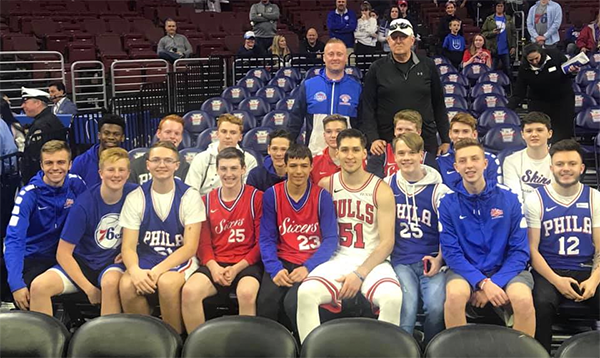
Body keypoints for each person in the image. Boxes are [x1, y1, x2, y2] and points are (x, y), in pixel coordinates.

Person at [297, 129, 402, 343]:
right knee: (306, 293)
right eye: (344, 150)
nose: (350, 155)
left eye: (355, 150)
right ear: (336, 154)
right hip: (338, 258)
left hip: (373, 261)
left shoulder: (380, 189)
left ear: (365, 153)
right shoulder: (326, 185)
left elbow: (387, 242)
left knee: (392, 298)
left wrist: (360, 274)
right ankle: (312, 350)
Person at [440, 138, 535, 336]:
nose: (469, 165)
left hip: (507, 270)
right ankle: (458, 351)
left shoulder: (510, 198)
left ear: (485, 163)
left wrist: (495, 283)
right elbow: (451, 253)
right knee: (455, 295)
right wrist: (481, 282)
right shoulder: (447, 203)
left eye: (474, 159)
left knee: (523, 299)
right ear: (456, 167)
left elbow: (519, 251)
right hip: (465, 270)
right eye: (463, 161)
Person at [29, 148, 137, 316]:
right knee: (39, 286)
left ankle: (107, 340)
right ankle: (46, 341)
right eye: (110, 170)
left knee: (110, 282)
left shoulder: (136, 195)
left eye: (121, 170)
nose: (116, 175)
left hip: (112, 263)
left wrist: (130, 250)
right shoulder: (83, 204)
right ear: (101, 173)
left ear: (128, 173)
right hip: (83, 264)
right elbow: (63, 254)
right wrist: (89, 289)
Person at [119, 141, 204, 334]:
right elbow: (128, 247)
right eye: (156, 160)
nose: (162, 165)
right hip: (148, 257)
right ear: (147, 164)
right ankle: (147, 341)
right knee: (126, 285)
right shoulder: (136, 196)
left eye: (168, 160)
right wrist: (135, 271)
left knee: (167, 284)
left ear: (177, 164)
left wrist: (157, 271)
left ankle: (173, 340)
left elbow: (190, 248)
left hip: (180, 258)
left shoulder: (189, 196)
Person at [524, 139, 600, 352]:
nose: (566, 168)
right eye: (560, 164)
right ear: (551, 167)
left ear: (581, 168)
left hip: (586, 270)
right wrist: (557, 281)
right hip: (549, 270)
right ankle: (540, 353)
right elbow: (532, 250)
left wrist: (594, 280)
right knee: (541, 303)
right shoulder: (535, 199)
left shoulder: (595, 198)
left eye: (572, 163)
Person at [257, 144, 338, 330]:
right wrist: (274, 268)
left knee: (294, 303)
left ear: (311, 167)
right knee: (265, 303)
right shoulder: (272, 195)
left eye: (303, 165)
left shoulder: (321, 196)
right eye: (293, 166)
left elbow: (331, 239)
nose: (298, 171)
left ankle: (304, 348)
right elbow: (267, 238)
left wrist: (308, 267)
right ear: (285, 167)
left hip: (312, 261)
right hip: (283, 261)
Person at [182, 148, 263, 333]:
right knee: (189, 292)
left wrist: (236, 268)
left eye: (234, 168)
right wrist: (214, 267)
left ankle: (245, 348)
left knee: (246, 293)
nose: (229, 174)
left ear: (243, 169)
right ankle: (198, 347)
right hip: (216, 264)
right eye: (224, 169)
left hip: (246, 263)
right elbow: (202, 243)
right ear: (217, 171)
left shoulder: (256, 198)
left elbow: (261, 243)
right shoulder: (206, 200)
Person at [4, 140, 87, 311]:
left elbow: (91, 220)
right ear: (41, 165)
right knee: (29, 293)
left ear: (70, 164)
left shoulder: (77, 184)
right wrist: (16, 283)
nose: (55, 168)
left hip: (68, 255)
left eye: (61, 162)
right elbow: (14, 239)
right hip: (35, 257)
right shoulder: (28, 195)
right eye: (49, 163)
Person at [385, 132, 450, 344]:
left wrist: (440, 259)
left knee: (435, 306)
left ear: (421, 155)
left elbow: (447, 232)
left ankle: (431, 346)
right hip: (401, 260)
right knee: (407, 306)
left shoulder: (439, 190)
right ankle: (404, 348)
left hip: (431, 260)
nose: (406, 158)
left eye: (412, 153)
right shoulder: (386, 186)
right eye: (401, 153)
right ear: (394, 156)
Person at [359, 18, 450, 157]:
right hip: (387, 143)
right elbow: (368, 107)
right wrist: (373, 138)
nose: (398, 41)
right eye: (394, 37)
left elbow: (438, 104)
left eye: (403, 37)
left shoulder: (428, 65)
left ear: (412, 40)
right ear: (388, 41)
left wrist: (445, 139)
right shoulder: (376, 68)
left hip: (425, 141)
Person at [289, 39, 361, 155]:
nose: (335, 58)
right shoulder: (309, 85)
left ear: (346, 57)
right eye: (331, 54)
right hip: (316, 153)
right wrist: (289, 145)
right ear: (324, 57)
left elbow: (363, 123)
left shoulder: (356, 87)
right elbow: (295, 120)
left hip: (348, 155)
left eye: (339, 54)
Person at [508, 43, 577, 143]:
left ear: (541, 53)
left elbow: (568, 72)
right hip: (539, 102)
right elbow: (519, 92)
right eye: (531, 60)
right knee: (540, 133)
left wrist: (573, 71)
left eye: (536, 58)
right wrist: (508, 108)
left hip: (562, 100)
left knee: (562, 135)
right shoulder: (524, 69)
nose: (535, 62)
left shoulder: (555, 55)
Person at [186, 114, 258, 195]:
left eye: (233, 132)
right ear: (217, 134)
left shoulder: (249, 160)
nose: (227, 136)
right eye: (224, 132)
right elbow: (191, 191)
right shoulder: (201, 158)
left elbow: (247, 192)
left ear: (240, 137)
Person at [436, 112, 501, 189]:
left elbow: (495, 191)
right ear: (450, 134)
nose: (460, 136)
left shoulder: (490, 159)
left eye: (465, 131)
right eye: (456, 131)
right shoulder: (440, 162)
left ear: (474, 134)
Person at [367, 110, 439, 178]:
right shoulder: (381, 152)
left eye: (408, 130)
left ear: (418, 132)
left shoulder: (426, 157)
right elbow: (374, 182)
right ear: (395, 131)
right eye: (400, 129)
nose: (403, 132)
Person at [502, 112, 552, 203]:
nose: (534, 134)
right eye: (529, 131)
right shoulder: (511, 161)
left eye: (539, 130)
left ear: (549, 133)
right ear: (522, 134)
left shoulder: (560, 161)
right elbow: (515, 199)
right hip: (524, 214)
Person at [21, 87, 68, 184]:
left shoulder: (42, 125)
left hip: (42, 178)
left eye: (26, 103)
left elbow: (34, 155)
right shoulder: (49, 119)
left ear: (37, 103)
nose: (22, 106)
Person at [129, 114, 190, 185]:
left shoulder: (185, 167)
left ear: (181, 138)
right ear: (158, 133)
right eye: (168, 132)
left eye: (177, 133)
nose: (172, 136)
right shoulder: (135, 166)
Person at [71, 114, 126, 188]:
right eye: (106, 133)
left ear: (122, 138)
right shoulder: (81, 162)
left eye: (116, 134)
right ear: (99, 135)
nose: (111, 137)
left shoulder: (128, 161)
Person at [481, 0, 516, 79]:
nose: (499, 8)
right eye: (498, 6)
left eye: (501, 6)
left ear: (504, 7)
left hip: (506, 49)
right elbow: (483, 33)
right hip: (493, 49)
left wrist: (513, 46)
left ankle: (509, 88)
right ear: (495, 7)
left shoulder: (509, 19)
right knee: (491, 70)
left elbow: (514, 33)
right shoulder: (489, 19)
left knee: (508, 70)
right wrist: (492, 33)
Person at [310, 114, 347, 184]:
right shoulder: (314, 162)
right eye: (329, 132)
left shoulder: (359, 161)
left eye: (338, 131)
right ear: (324, 135)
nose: (333, 135)